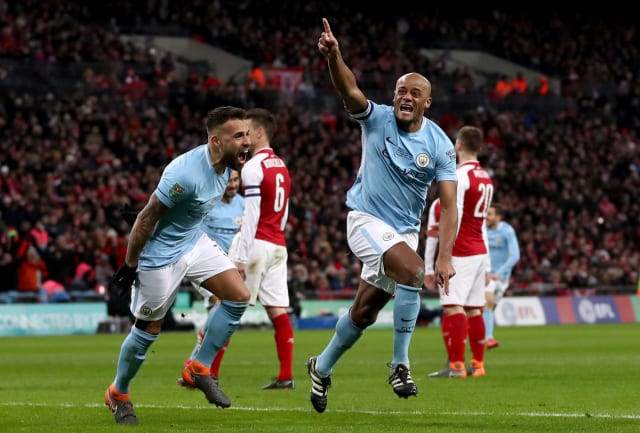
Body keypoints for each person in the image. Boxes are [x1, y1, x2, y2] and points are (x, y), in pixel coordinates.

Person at [306, 18, 458, 413]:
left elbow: (449, 204)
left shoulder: (440, 144)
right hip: (366, 221)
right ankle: (400, 365)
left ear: (427, 102)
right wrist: (335, 56)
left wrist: (445, 256)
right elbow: (349, 88)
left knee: (364, 312)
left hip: (405, 232)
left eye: (415, 93)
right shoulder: (377, 118)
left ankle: (320, 367)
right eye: (401, 91)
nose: (406, 97)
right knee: (411, 272)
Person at [104, 107, 252, 424]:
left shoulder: (228, 168)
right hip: (158, 254)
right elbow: (145, 218)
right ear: (215, 141)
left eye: (247, 134)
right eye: (238, 136)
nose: (246, 142)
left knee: (239, 295)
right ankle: (119, 392)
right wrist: (129, 266)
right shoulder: (184, 175)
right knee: (148, 330)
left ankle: (198, 366)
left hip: (193, 241)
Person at [230, 108, 295, 389]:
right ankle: (285, 376)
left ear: (259, 132)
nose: (244, 138)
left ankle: (206, 371)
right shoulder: (281, 165)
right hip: (278, 244)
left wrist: (241, 257)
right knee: (278, 311)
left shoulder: (253, 166)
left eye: (246, 132)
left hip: (257, 243)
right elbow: (285, 210)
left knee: (227, 304)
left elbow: (252, 213)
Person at [426, 126, 493, 379]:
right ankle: (478, 365)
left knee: (453, 306)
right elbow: (483, 222)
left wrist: (442, 258)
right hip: (479, 250)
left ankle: (455, 366)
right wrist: (487, 265)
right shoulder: (485, 177)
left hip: (461, 251)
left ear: (458, 145)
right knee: (475, 309)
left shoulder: (459, 176)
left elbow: (454, 214)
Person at [179, 170, 244, 385]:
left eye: (236, 180)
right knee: (221, 304)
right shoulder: (209, 203)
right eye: (229, 181)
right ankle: (203, 369)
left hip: (231, 270)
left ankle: (196, 366)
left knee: (224, 323)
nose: (233, 185)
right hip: (207, 266)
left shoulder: (244, 205)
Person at [483, 204, 520, 349]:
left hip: (501, 277)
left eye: (490, 214)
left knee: (489, 306)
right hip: (485, 274)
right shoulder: (482, 230)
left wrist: (498, 273)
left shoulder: (507, 231)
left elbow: (514, 256)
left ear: (498, 217)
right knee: (488, 301)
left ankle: (483, 333)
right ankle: (489, 338)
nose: (487, 217)